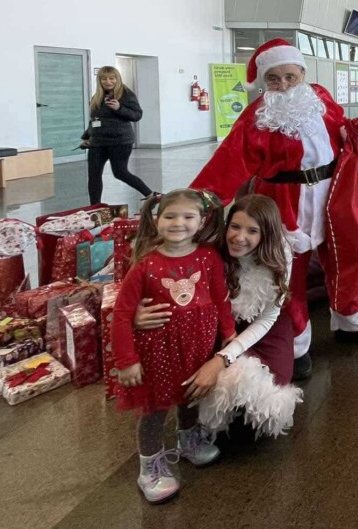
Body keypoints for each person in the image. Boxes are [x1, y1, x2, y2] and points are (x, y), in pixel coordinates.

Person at [191, 39, 358, 383]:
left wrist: (353, 130)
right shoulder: (257, 118)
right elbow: (228, 162)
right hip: (282, 205)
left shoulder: (320, 99)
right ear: (264, 82)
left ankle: (351, 324)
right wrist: (195, 202)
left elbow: (337, 131)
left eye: (290, 76)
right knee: (289, 279)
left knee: (345, 260)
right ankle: (298, 347)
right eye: (274, 79)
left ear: (303, 73)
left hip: (332, 197)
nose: (284, 86)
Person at [136, 195, 304, 439]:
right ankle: (190, 427)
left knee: (266, 396)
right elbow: (160, 268)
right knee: (200, 378)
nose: (240, 237)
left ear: (265, 235)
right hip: (211, 323)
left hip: (262, 327)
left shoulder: (279, 255)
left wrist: (222, 359)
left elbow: (268, 318)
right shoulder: (209, 249)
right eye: (235, 227)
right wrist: (137, 310)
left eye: (252, 231)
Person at [111, 189, 234, 504]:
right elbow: (122, 316)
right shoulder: (145, 266)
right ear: (156, 219)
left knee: (191, 398)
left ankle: (188, 439)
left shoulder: (208, 258)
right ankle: (149, 466)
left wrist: (228, 334)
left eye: (188, 216)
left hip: (197, 350)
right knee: (154, 410)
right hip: (158, 354)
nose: (178, 223)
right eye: (170, 216)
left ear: (201, 220)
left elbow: (221, 298)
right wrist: (126, 361)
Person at [80, 66, 153, 205]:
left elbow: (137, 115)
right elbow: (95, 120)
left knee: (120, 172)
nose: (108, 82)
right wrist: (87, 137)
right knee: (93, 175)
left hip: (120, 141)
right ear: (99, 80)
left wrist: (119, 108)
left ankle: (150, 194)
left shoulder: (126, 94)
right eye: (104, 79)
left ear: (117, 79)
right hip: (98, 142)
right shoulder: (96, 97)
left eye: (111, 78)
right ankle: (95, 207)